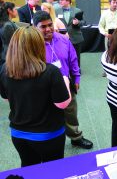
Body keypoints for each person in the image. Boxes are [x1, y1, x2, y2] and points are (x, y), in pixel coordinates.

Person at [0, 26, 71, 167]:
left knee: (28, 167)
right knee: (53, 170)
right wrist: (66, 82)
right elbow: (62, 103)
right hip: (48, 135)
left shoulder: (5, 70)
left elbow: (6, 98)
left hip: (19, 134)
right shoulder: (51, 71)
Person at [33, 11, 93, 149]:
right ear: (35, 27)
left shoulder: (64, 39)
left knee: (71, 112)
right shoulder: (33, 45)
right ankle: (50, 140)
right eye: (43, 27)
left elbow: (73, 60)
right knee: (47, 114)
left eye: (50, 25)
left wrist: (77, 78)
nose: (48, 29)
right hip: (43, 87)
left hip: (66, 84)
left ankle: (75, 137)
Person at [56, 0, 85, 67]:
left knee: (76, 55)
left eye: (62, 0)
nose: (60, 2)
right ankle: (66, 69)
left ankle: (77, 69)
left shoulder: (77, 10)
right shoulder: (56, 11)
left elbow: (84, 22)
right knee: (64, 55)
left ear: (68, 1)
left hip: (75, 37)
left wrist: (78, 22)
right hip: (61, 37)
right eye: (60, 0)